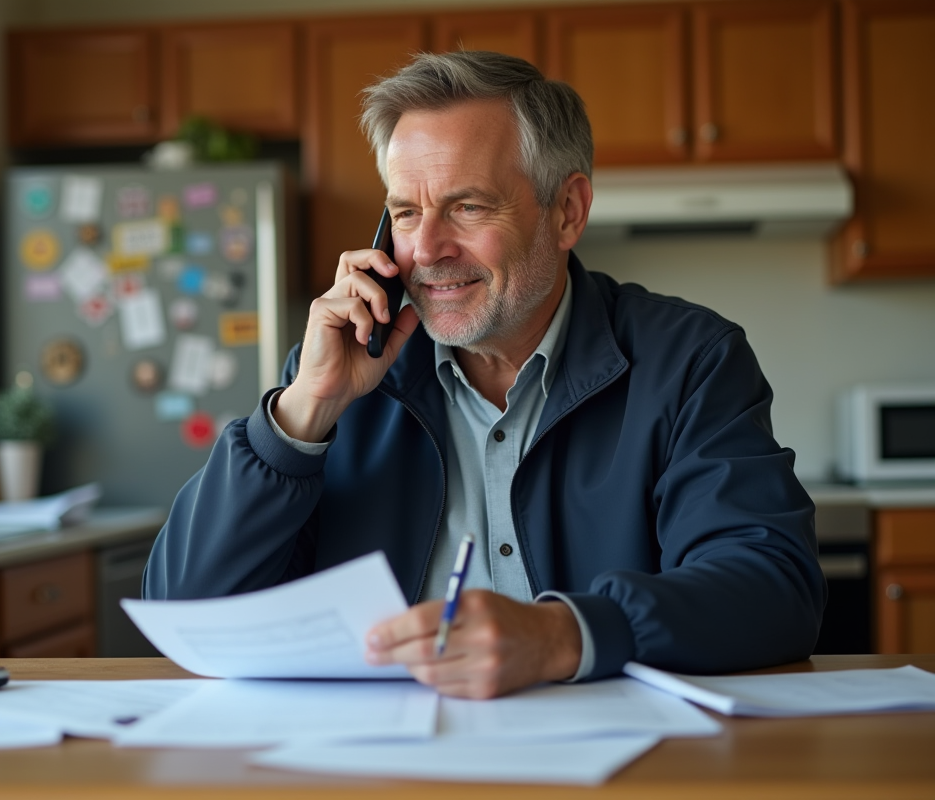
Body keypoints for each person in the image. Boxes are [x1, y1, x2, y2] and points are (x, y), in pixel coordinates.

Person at [144, 51, 825, 699]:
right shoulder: (339, 377)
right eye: (407, 213)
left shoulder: (689, 360)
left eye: (467, 207)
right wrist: (302, 414)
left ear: (568, 211)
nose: (429, 250)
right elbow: (185, 616)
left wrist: (566, 635)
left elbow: (771, 586)